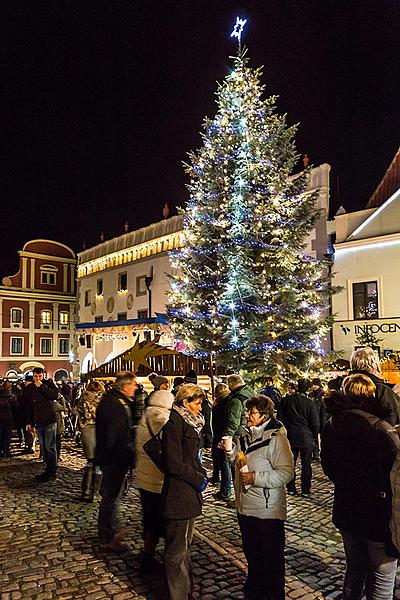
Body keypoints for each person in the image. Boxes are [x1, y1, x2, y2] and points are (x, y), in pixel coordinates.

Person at [321, 373, 400, 600]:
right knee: (383, 578)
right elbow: (395, 474)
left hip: (347, 509)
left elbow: (328, 467)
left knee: (355, 569)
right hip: (378, 514)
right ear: (371, 395)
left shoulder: (331, 425)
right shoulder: (382, 429)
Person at [225, 394, 294, 600]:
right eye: (248, 411)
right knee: (253, 558)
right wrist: (230, 453)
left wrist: (256, 478)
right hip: (245, 507)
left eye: (252, 412)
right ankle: (255, 592)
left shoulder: (276, 439)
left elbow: (286, 473)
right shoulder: (245, 436)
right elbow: (240, 461)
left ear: (264, 415)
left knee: (272, 562)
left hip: (267, 510)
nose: (247, 415)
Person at [161, 383, 208, 600]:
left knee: (185, 546)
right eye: (197, 404)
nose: (200, 408)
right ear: (185, 402)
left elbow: (191, 457)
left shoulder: (192, 423)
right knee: (176, 550)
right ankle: (177, 594)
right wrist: (198, 478)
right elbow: (174, 463)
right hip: (179, 494)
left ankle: (186, 590)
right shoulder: (174, 423)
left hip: (190, 492)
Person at [95, 371, 137, 552]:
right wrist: (124, 454)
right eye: (133, 384)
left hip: (115, 457)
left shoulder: (115, 400)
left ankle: (110, 531)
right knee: (110, 497)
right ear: (125, 386)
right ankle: (107, 537)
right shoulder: (114, 403)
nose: (135, 387)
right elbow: (114, 434)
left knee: (112, 496)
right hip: (115, 458)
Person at [135, 384, 175, 573]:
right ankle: (171, 561)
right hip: (160, 480)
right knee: (166, 520)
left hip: (143, 478)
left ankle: (148, 553)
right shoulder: (163, 419)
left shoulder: (144, 417)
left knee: (149, 519)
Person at [278, 379, 319, 496]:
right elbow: (315, 423)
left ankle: (291, 488)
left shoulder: (286, 400)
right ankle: (305, 489)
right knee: (306, 464)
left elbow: (280, 418)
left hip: (290, 436)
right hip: (306, 436)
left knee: (291, 463)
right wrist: (313, 435)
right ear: (308, 389)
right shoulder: (310, 403)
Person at [24, 367, 59, 481]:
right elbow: (28, 406)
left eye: (39, 376)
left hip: (49, 420)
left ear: (43, 375)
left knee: (50, 446)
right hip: (38, 421)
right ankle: (48, 469)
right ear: (33, 376)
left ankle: (52, 471)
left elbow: (55, 395)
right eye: (35, 376)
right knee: (44, 447)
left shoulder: (48, 384)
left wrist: (42, 387)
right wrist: (29, 422)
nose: (37, 378)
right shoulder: (30, 388)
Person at [350, 347, 400, 424]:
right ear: (376, 366)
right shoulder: (381, 391)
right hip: (380, 434)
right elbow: (394, 422)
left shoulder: (344, 388)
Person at [75, 380, 105, 502]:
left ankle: (86, 491)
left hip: (86, 431)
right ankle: (96, 492)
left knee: (90, 462)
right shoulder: (102, 400)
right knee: (98, 463)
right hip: (98, 431)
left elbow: (77, 412)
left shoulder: (82, 399)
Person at [211, 382, 234, 500]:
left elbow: (216, 422)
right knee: (226, 462)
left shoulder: (221, 405)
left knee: (224, 462)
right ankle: (226, 487)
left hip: (221, 436)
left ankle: (226, 489)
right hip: (224, 435)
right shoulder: (229, 402)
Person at [222, 374, 254, 445]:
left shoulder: (236, 400)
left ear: (230, 383)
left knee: (238, 455)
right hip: (250, 433)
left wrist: (226, 437)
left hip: (239, 436)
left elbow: (233, 423)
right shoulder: (251, 393)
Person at [0, 381, 16, 458]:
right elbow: (15, 407)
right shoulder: (11, 396)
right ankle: (6, 450)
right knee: (7, 435)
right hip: (8, 417)